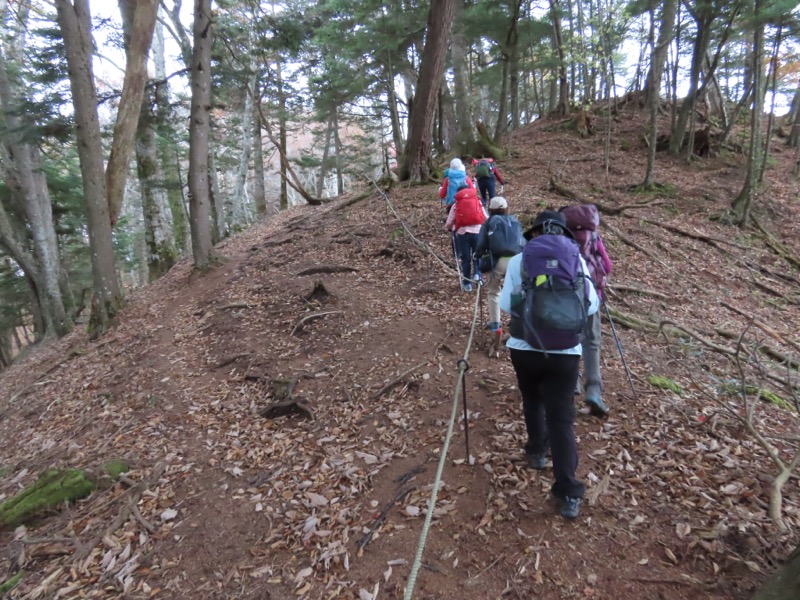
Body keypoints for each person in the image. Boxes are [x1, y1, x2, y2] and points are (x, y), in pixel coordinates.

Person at [499, 210, 599, 519]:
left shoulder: (520, 259)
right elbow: (592, 303)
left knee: (532, 400)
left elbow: (504, 305)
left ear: (535, 232)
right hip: (566, 352)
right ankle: (569, 492)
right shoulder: (575, 258)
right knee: (562, 420)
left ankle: (537, 452)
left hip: (525, 347)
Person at [559, 204, 613, 418]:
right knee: (592, 342)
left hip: (567, 296)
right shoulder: (594, 237)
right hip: (592, 297)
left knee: (571, 338)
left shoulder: (563, 237)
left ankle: (572, 383)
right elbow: (607, 266)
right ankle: (593, 390)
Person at [474, 196, 525, 333]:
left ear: (490, 209)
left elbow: (482, 243)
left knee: (494, 292)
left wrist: (478, 255)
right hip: (516, 261)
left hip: (496, 261)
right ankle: (516, 321)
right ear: (506, 208)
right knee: (517, 291)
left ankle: (495, 323)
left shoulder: (489, 222)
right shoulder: (515, 221)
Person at [444, 183, 486, 292]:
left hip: (462, 234)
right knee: (478, 255)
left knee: (465, 258)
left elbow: (449, 222)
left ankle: (467, 283)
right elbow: (485, 217)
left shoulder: (456, 204)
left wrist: (449, 227)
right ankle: (477, 274)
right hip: (477, 232)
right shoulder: (477, 201)